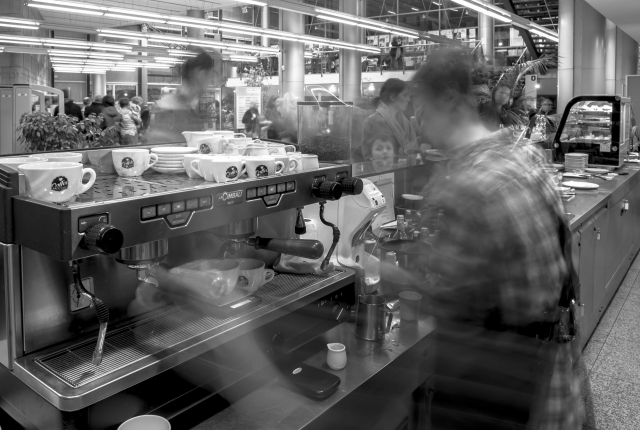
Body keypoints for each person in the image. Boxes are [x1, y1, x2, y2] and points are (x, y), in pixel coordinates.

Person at [412, 49, 584, 430]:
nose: (419, 125)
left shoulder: (470, 186)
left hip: (496, 392)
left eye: (422, 111)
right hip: (550, 369)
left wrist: (389, 276)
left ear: (449, 99)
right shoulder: (526, 156)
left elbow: (453, 301)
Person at [146, 49, 215, 143]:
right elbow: (157, 143)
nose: (210, 82)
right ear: (201, 74)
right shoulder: (172, 110)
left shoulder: (187, 108)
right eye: (210, 76)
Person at [362, 78, 417, 160]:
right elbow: (368, 157)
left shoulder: (406, 123)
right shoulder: (371, 122)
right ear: (393, 97)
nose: (408, 100)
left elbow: (414, 145)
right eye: (405, 95)